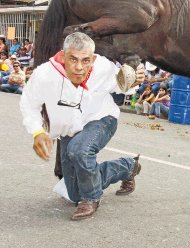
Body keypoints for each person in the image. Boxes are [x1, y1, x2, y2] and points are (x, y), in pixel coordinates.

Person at [19, 32, 145, 220]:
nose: (79, 67)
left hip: (102, 120)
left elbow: (122, 85)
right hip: (69, 130)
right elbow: (29, 104)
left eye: (85, 60)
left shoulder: (103, 66)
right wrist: (37, 131)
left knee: (79, 151)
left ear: (93, 58)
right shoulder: (44, 74)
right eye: (73, 59)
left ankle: (92, 198)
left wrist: (135, 79)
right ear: (62, 56)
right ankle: (128, 167)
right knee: (74, 193)